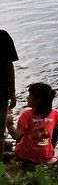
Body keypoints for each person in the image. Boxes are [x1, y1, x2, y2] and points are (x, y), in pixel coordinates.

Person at [6, 82, 58, 165]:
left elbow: (15, 136)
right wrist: (49, 122)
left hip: (24, 156)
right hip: (45, 156)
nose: (27, 97)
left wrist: (8, 124)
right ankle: (50, 158)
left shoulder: (26, 115)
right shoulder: (54, 113)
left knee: (23, 132)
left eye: (30, 95)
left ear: (38, 101)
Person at [0, 29, 18, 160]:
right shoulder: (2, 36)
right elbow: (8, 65)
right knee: (0, 134)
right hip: (0, 94)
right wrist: (12, 92)